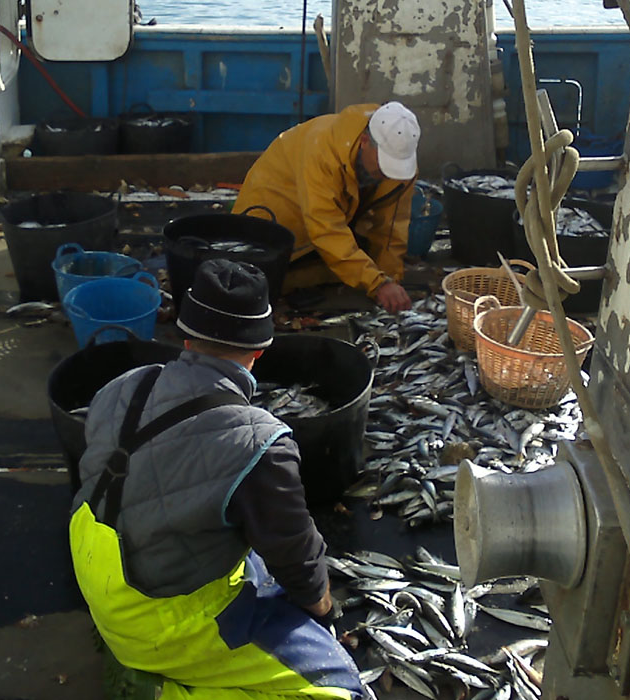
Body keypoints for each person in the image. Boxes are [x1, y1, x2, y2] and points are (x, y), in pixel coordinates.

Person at [69, 258, 363, 700]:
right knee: (340, 690)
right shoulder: (260, 442)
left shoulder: (124, 385)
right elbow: (294, 552)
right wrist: (322, 611)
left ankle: (136, 648)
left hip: (96, 569)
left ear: (185, 336)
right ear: (261, 350)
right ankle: (166, 690)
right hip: (158, 615)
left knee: (251, 560)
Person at [232, 101, 421, 313]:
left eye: (395, 167)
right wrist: (377, 283)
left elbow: (391, 227)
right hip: (272, 218)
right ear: (365, 142)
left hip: (326, 221)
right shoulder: (322, 151)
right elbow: (326, 229)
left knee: (348, 264)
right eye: (384, 164)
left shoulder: (401, 168)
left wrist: (389, 280)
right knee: (259, 280)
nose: (389, 174)